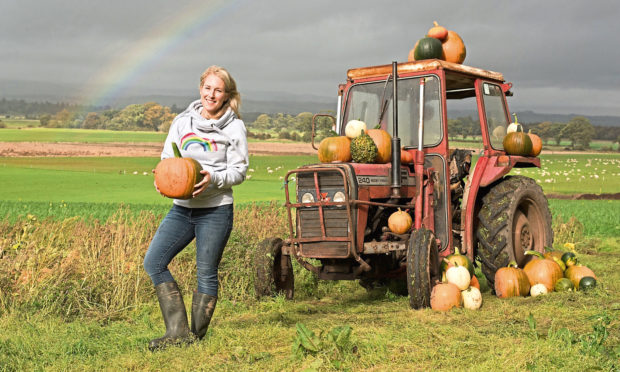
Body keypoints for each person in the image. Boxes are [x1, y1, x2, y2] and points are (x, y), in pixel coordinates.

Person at [143, 65, 248, 351]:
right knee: (153, 262)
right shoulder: (181, 122)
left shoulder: (234, 126)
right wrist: (162, 179)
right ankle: (176, 331)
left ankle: (195, 337)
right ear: (200, 89)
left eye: (218, 90)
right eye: (208, 88)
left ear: (227, 95)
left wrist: (214, 178)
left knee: (206, 272)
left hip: (215, 209)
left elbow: (239, 171)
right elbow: (167, 158)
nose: (211, 94)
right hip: (182, 209)